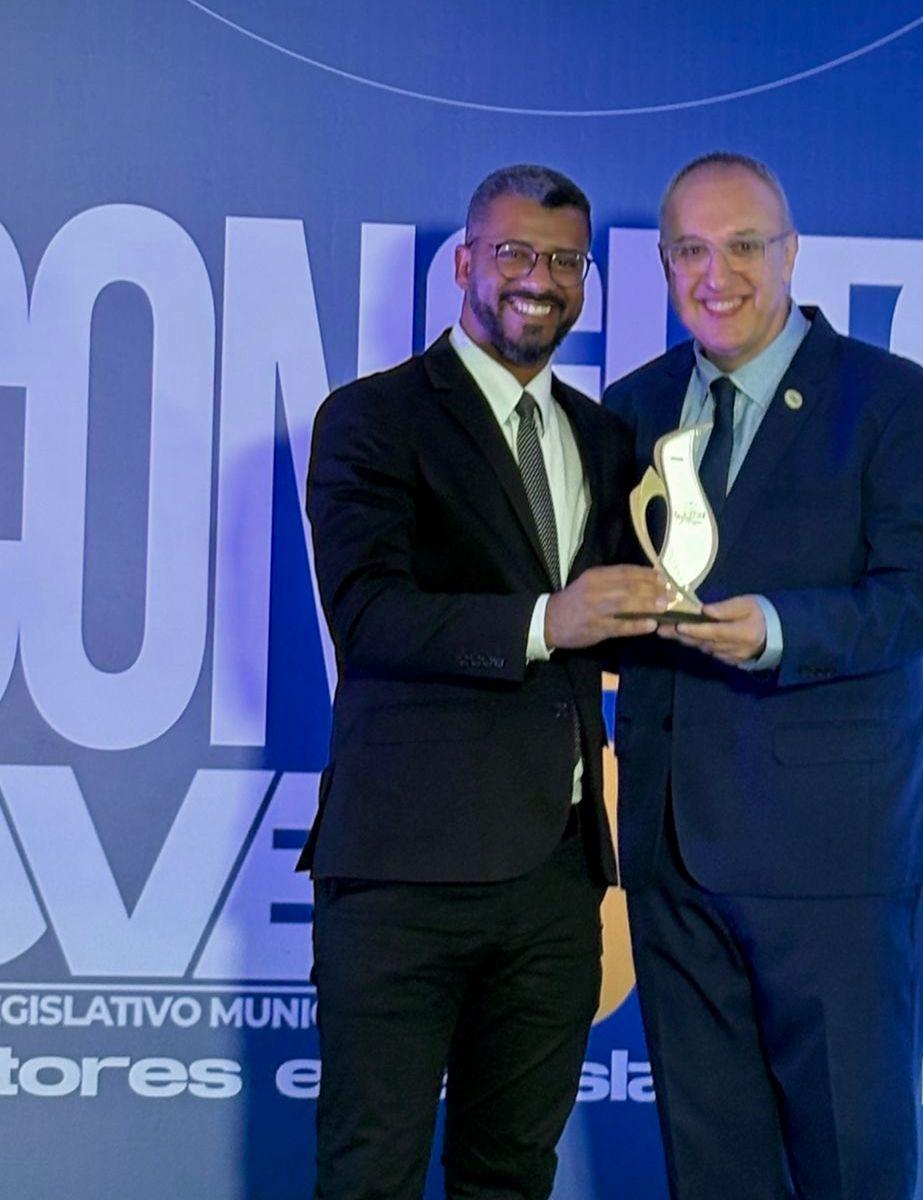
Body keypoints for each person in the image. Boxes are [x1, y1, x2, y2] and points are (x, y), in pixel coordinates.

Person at [603, 152, 923, 1200]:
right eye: (690, 251)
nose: (716, 276)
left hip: (836, 861)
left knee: (852, 1165)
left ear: (792, 253)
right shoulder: (628, 411)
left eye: (743, 246)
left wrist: (777, 629)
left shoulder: (894, 402)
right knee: (712, 1172)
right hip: (672, 854)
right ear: (666, 263)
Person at [301, 163, 669, 1200]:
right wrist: (551, 620)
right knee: (369, 1171)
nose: (537, 279)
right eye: (513, 253)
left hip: (556, 881)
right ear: (465, 262)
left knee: (511, 1173)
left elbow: (622, 624)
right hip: (404, 874)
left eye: (563, 260)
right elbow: (369, 615)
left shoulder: (604, 437)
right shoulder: (372, 420)